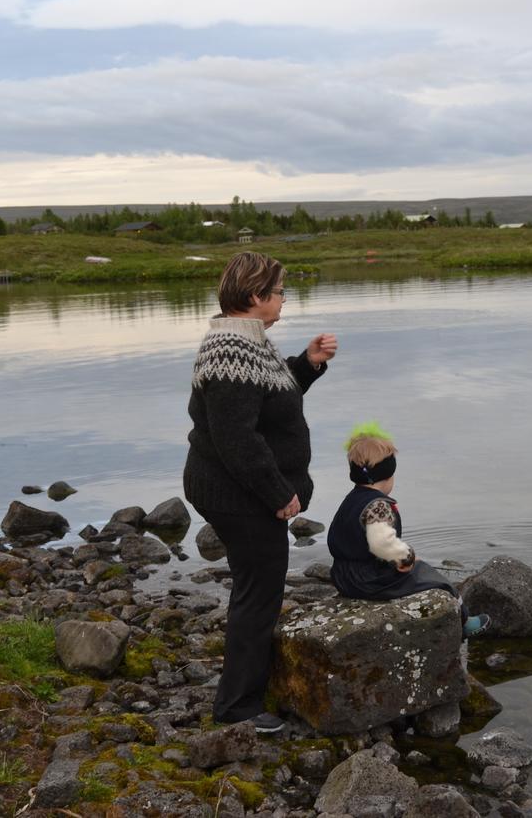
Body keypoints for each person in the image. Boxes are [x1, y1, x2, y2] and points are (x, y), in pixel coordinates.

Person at [184, 251, 337, 734]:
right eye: (279, 292)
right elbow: (237, 438)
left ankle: (244, 691)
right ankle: (238, 709)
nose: (283, 300)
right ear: (255, 297)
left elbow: (268, 399)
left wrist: (306, 365)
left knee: (258, 587)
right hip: (239, 494)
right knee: (259, 593)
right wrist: (278, 493)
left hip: (237, 489)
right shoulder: (231, 348)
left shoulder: (248, 342)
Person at [328, 422, 489, 636]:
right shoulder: (378, 506)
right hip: (368, 580)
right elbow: (382, 542)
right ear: (387, 476)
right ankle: (465, 621)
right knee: (437, 581)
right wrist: (407, 558)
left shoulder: (352, 499)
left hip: (342, 574)